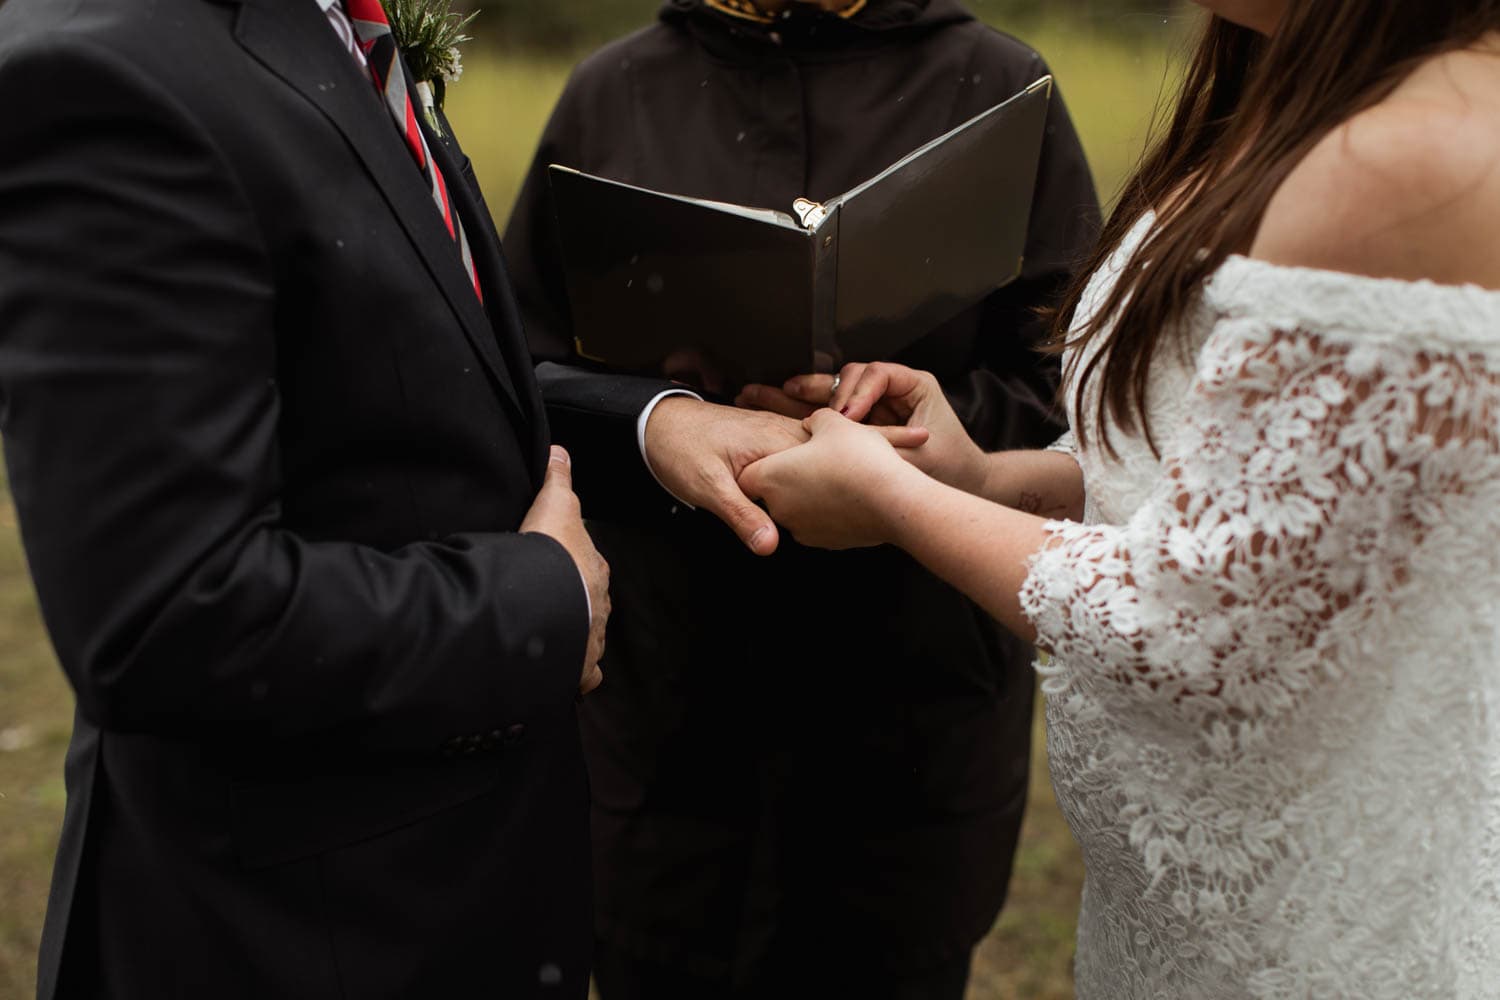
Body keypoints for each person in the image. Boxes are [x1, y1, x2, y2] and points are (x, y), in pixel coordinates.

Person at [0, 0, 810, 996]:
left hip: (445, 896)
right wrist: (538, 606)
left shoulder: (329, 24)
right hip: (296, 934)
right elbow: (168, 612)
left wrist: (649, 425)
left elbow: (381, 355)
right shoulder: (114, 79)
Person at [741, 0, 1500, 995]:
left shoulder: (1410, 157)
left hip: (1317, 912)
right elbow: (1218, 481)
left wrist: (890, 498)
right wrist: (978, 477)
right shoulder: (1284, 93)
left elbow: (1200, 626)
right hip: (1183, 903)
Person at [503, 1, 1098, 996]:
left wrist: (898, 430)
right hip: (671, 693)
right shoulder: (615, 94)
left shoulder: (995, 86)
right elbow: (530, 374)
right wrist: (683, 408)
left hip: (912, 693)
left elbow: (1069, 390)